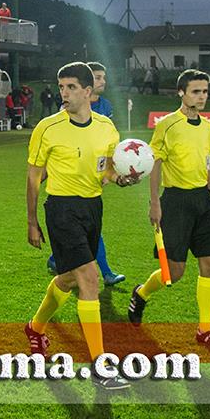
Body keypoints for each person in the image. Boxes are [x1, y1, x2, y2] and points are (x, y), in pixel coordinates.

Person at [24, 62, 139, 391]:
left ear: (88, 92)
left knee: (70, 278)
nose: (64, 93)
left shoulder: (107, 128)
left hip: (93, 207)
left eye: (71, 87)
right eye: (61, 87)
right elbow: (33, 178)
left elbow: (105, 171)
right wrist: (31, 221)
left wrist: (120, 179)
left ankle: (35, 328)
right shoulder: (47, 128)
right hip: (61, 209)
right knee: (90, 279)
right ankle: (101, 365)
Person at [129, 69, 210, 349]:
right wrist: (154, 203)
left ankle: (205, 328)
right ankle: (141, 294)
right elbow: (154, 165)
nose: (202, 97)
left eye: (205, 92)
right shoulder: (166, 125)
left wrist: (209, 194)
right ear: (181, 93)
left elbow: (207, 161)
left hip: (203, 201)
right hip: (175, 202)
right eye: (196, 91)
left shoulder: (209, 127)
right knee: (172, 273)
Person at [43, 63, 126, 284]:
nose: (102, 82)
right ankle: (106, 272)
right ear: (88, 85)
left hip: (93, 188)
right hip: (67, 194)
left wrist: (114, 174)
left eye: (103, 78)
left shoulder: (105, 108)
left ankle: (56, 258)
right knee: (88, 272)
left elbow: (105, 148)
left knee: (80, 244)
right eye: (98, 77)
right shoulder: (66, 112)